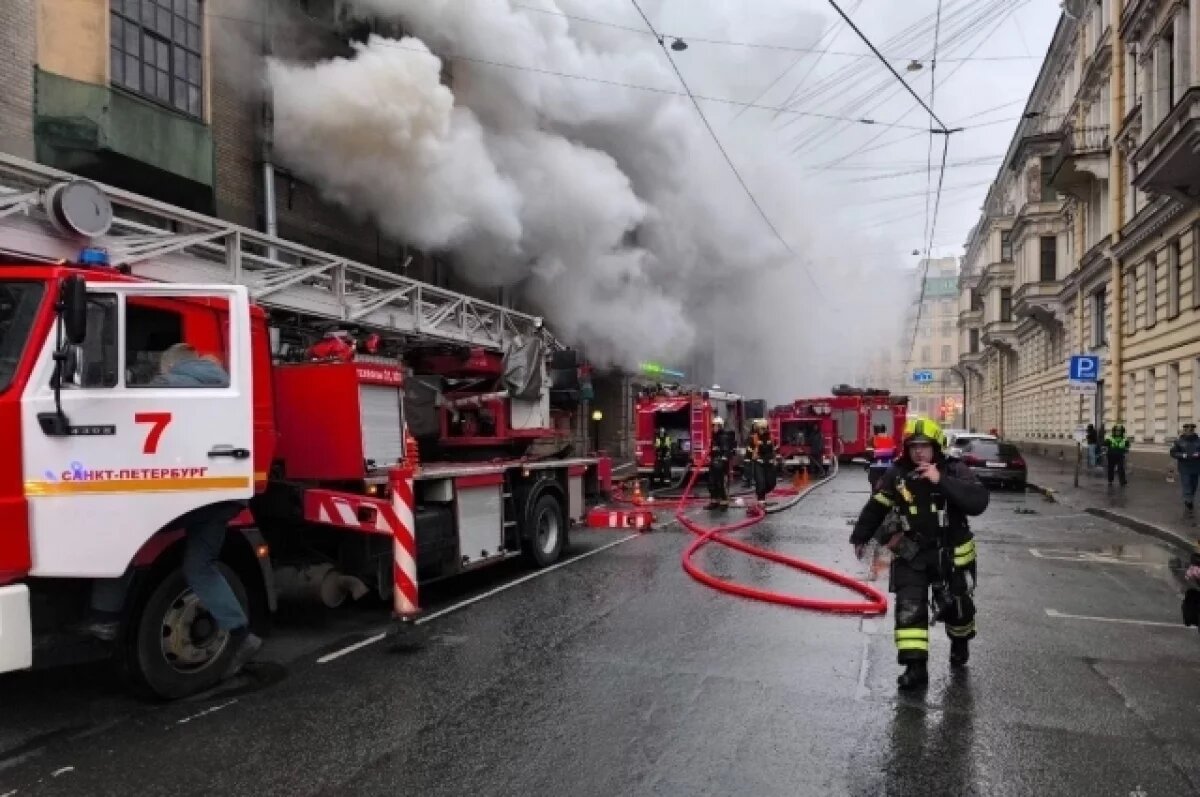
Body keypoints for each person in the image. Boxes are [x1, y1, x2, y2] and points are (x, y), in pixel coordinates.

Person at [86, 343, 260, 682]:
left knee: (121, 543)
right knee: (199, 564)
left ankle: (104, 618)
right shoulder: (226, 385)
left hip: (183, 491)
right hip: (224, 492)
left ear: (170, 365)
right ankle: (240, 633)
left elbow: (123, 411)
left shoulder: (169, 386)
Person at [849, 417, 990, 690]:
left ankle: (960, 643)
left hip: (950, 558)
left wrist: (941, 481)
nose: (918, 452)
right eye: (913, 446)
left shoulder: (954, 470)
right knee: (909, 610)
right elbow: (877, 505)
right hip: (911, 555)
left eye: (924, 446)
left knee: (958, 610)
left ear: (936, 447)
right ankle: (915, 668)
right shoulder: (897, 473)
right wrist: (861, 536)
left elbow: (978, 501)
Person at [706, 417, 735, 510]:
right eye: (713, 426)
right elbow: (712, 449)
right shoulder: (714, 437)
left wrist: (723, 458)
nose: (714, 428)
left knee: (721, 483)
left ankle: (724, 501)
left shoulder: (724, 437)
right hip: (713, 462)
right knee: (711, 483)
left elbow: (727, 451)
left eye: (716, 426)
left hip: (721, 464)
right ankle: (714, 500)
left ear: (720, 426)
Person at [1171, 422, 1200, 512]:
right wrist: (1183, 455)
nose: (1189, 430)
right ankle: (1188, 500)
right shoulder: (1179, 441)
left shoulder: (1198, 440)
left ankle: (1190, 497)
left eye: (1191, 429)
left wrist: (1198, 454)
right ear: (1184, 430)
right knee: (1187, 484)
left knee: (1194, 485)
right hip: (1185, 468)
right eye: (1187, 429)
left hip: (1196, 467)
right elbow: (1173, 453)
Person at [751, 419, 778, 502]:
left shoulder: (771, 437)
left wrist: (774, 459)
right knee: (760, 482)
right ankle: (761, 500)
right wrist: (753, 456)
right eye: (760, 429)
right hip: (759, 463)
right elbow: (750, 449)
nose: (762, 430)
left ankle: (763, 493)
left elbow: (773, 449)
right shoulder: (754, 438)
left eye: (763, 429)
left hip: (769, 463)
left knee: (771, 483)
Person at [1103, 423, 1130, 487]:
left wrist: (1126, 450)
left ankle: (1122, 482)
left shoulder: (1124, 438)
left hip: (1120, 455)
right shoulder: (1110, 437)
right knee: (1111, 468)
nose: (1118, 432)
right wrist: (1105, 448)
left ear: (1122, 431)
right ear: (1114, 431)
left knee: (1121, 468)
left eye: (1119, 431)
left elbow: (1127, 446)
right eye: (1117, 431)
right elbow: (1105, 444)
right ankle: (1110, 480)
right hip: (1111, 455)